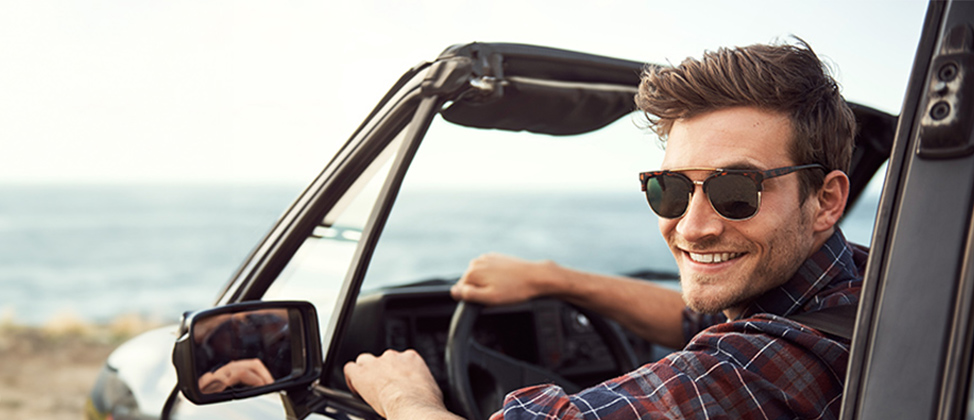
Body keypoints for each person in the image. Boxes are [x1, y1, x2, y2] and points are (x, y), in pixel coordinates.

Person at [343, 38, 864, 419]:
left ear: (826, 200)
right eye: (672, 189)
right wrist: (556, 279)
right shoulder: (859, 285)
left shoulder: (772, 365)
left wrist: (404, 396)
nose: (693, 226)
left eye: (737, 191)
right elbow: (694, 322)